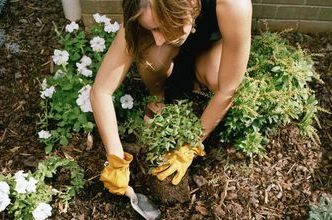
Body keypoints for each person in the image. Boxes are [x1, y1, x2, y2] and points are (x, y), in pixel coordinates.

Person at [91, 0, 252, 196]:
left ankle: (195, 77)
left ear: (188, 7)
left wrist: (190, 146)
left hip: (211, 44)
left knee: (217, 77)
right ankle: (159, 97)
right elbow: (101, 90)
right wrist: (115, 158)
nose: (157, 39)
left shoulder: (233, 5)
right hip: (175, 45)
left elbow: (229, 89)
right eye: (151, 29)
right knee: (152, 58)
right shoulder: (146, 5)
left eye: (160, 28)